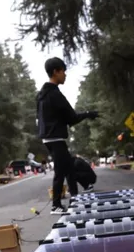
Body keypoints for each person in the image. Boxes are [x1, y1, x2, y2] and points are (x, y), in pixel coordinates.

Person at [36, 57, 99, 212]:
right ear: (56, 72)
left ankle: (75, 199)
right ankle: (56, 205)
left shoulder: (41, 95)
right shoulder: (55, 94)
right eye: (63, 71)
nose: (65, 75)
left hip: (48, 138)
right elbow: (72, 118)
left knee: (69, 168)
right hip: (56, 137)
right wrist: (89, 114)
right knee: (60, 172)